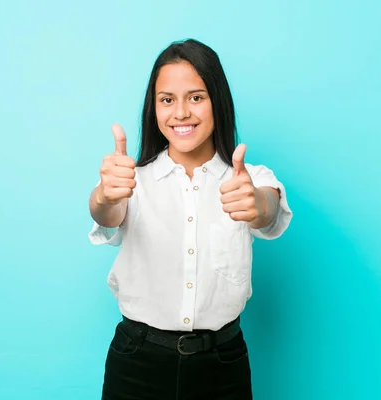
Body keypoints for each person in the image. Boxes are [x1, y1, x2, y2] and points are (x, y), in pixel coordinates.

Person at [88, 39, 293, 400]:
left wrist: (256, 204)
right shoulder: (131, 180)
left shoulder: (250, 179)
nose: (180, 112)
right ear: (154, 109)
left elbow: (268, 209)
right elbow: (106, 213)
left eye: (196, 97)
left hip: (222, 365)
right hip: (137, 362)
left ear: (218, 102)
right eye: (167, 100)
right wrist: (105, 196)